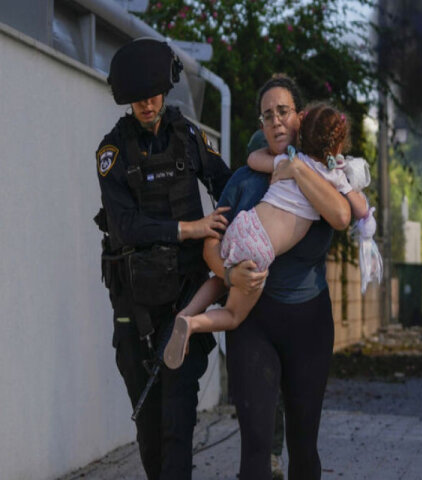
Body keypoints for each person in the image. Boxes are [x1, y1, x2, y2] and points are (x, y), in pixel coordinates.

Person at [95, 38, 231, 480]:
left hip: (184, 304)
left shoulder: (190, 136)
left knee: (178, 421)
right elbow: (124, 227)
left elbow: (228, 187)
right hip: (134, 309)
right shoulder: (111, 153)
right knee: (150, 426)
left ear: (166, 90)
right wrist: (189, 229)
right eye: (139, 97)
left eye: (154, 94)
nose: (148, 104)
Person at [204, 74, 351, 480]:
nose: (276, 121)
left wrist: (297, 170)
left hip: (309, 322)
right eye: (267, 115)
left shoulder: (325, 175)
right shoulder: (243, 181)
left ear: (300, 117)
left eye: (283, 111)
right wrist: (231, 274)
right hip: (254, 322)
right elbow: (211, 247)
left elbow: (343, 215)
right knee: (255, 451)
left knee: (304, 450)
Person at [163, 103, 368, 368]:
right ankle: (193, 324)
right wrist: (350, 180)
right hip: (260, 248)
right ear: (337, 147)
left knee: (222, 279)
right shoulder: (332, 178)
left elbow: (253, 159)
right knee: (234, 315)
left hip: (245, 223)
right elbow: (359, 210)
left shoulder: (290, 160)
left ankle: (186, 312)